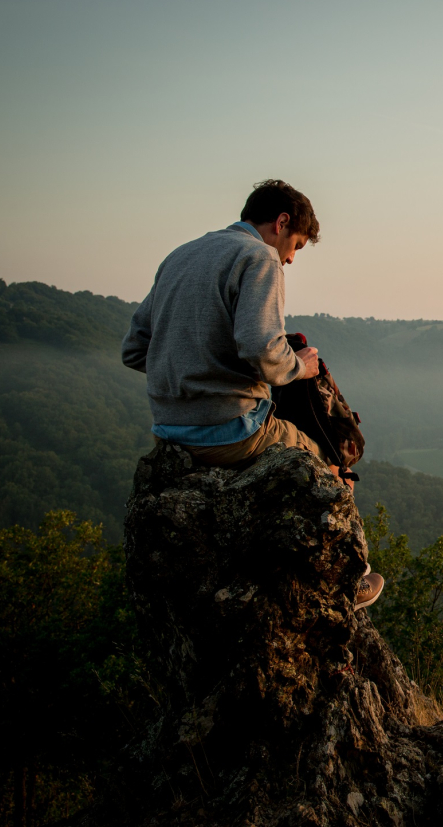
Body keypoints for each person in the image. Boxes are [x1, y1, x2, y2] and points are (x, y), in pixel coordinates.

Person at [122, 179, 383, 610]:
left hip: (168, 429)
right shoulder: (259, 257)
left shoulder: (180, 256)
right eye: (295, 244)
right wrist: (302, 366)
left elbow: (135, 349)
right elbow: (263, 350)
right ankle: (348, 582)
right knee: (328, 461)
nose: (292, 258)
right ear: (281, 223)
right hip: (231, 429)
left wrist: (191, 362)